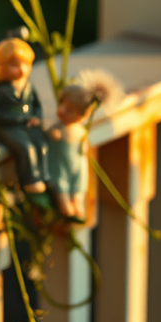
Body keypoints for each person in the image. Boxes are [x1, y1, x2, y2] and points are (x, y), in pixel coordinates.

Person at [0, 39, 50, 201]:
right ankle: (30, 181)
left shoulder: (29, 87)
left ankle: (44, 176)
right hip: (7, 126)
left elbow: (36, 106)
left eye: (26, 64)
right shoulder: (2, 89)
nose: (22, 70)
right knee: (26, 148)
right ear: (2, 66)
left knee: (42, 145)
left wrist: (37, 117)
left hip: (27, 124)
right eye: (15, 65)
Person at [46, 85, 95, 222]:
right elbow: (49, 133)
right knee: (61, 180)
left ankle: (77, 201)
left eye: (69, 110)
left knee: (79, 181)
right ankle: (63, 200)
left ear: (82, 116)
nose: (61, 111)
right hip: (60, 164)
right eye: (61, 104)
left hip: (77, 164)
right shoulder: (58, 128)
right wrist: (52, 134)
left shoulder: (80, 130)